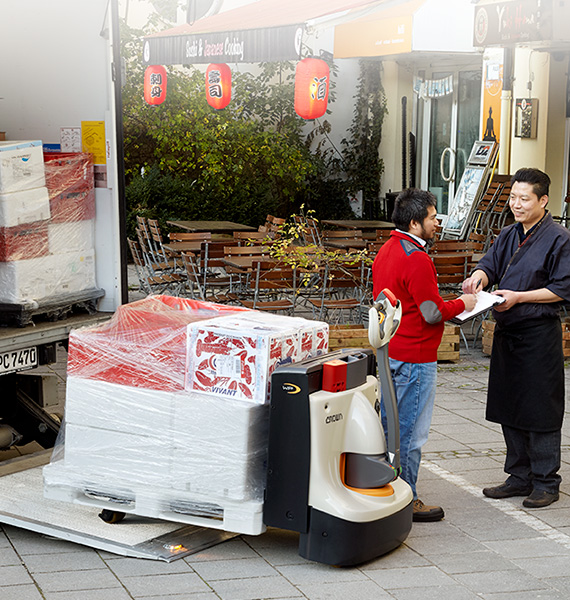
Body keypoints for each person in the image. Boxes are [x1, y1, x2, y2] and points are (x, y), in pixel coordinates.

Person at [463, 167, 570, 508]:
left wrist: (520, 297)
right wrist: (478, 278)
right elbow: (489, 265)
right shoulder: (509, 233)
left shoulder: (559, 237)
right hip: (508, 333)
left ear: (543, 200)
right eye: (513, 198)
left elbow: (562, 288)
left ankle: (545, 481)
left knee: (540, 408)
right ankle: (519, 475)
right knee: (509, 404)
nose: (517, 204)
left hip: (539, 334)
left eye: (525, 198)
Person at [372, 188, 476, 522]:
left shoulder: (388, 249)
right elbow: (432, 312)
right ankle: (407, 497)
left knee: (390, 427)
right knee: (411, 432)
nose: (437, 222)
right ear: (415, 222)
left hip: (391, 349)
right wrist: (464, 304)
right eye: (433, 216)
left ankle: (386, 488)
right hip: (416, 355)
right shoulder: (416, 257)